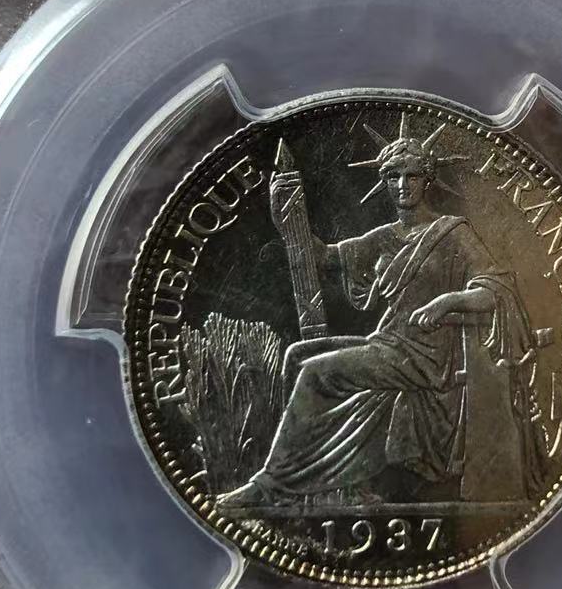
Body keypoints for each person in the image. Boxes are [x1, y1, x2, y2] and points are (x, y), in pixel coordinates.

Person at [216, 129, 539, 508]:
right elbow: (323, 258)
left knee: (315, 373)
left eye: (412, 175)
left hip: (428, 356)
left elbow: (494, 291)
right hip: (389, 346)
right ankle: (334, 485)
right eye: (393, 176)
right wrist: (288, 222)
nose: (402, 185)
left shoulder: (453, 233)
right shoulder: (383, 237)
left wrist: (446, 302)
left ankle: (271, 485)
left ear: (427, 179)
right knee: (298, 355)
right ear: (384, 181)